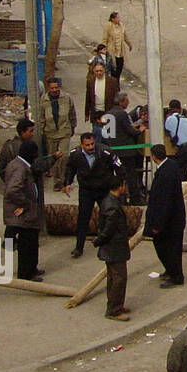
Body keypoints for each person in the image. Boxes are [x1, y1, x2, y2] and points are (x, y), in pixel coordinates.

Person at [59, 130, 122, 258]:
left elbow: (119, 167)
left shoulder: (105, 152)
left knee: (109, 215)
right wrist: (67, 183)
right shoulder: (75, 155)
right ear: (82, 145)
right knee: (83, 218)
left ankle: (112, 242)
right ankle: (78, 247)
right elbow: (70, 169)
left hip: (103, 188)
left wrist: (120, 185)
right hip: (86, 190)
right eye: (87, 145)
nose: (91, 147)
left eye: (92, 144)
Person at [144, 143, 187, 286]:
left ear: (154, 156)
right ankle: (171, 271)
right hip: (175, 218)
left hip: (169, 221)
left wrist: (157, 225)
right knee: (172, 248)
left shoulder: (164, 173)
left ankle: (175, 275)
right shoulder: (171, 165)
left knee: (166, 248)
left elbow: (164, 202)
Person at [93, 173, 133, 321]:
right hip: (114, 248)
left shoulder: (109, 201)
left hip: (113, 247)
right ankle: (114, 309)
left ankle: (117, 304)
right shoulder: (113, 206)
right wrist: (99, 241)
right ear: (120, 186)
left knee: (114, 277)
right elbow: (108, 229)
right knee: (118, 279)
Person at [2, 139, 44, 281]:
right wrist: (25, 204)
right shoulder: (20, 168)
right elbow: (12, 191)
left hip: (26, 211)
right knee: (27, 244)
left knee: (32, 241)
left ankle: (32, 268)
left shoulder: (19, 164)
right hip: (23, 214)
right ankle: (26, 274)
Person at [101, 92, 144, 205]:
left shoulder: (108, 114)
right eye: (126, 100)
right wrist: (140, 130)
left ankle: (120, 199)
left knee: (119, 176)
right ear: (121, 102)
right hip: (126, 151)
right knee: (130, 176)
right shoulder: (122, 114)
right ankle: (135, 199)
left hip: (113, 150)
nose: (128, 102)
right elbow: (130, 131)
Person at [37, 76, 76, 176]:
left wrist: (73, 127)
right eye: (52, 88)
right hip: (50, 133)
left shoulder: (66, 98)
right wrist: (41, 132)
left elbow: (72, 114)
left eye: (56, 88)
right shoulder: (44, 100)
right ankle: (56, 180)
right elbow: (41, 117)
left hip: (64, 131)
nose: (54, 90)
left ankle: (63, 179)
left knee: (63, 157)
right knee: (53, 158)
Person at [85, 44, 119, 126]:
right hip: (96, 114)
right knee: (97, 134)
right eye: (97, 71)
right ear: (93, 71)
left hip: (109, 113)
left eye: (100, 71)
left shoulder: (112, 81)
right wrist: (86, 114)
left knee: (109, 135)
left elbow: (117, 97)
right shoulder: (90, 82)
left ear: (104, 70)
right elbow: (88, 98)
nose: (99, 73)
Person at [102, 11, 131, 80]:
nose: (119, 19)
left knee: (120, 67)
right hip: (112, 51)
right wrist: (103, 49)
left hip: (120, 51)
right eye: (117, 18)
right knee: (113, 69)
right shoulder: (108, 26)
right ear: (113, 19)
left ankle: (116, 82)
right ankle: (114, 84)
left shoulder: (121, 25)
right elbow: (104, 39)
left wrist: (129, 44)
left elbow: (125, 36)